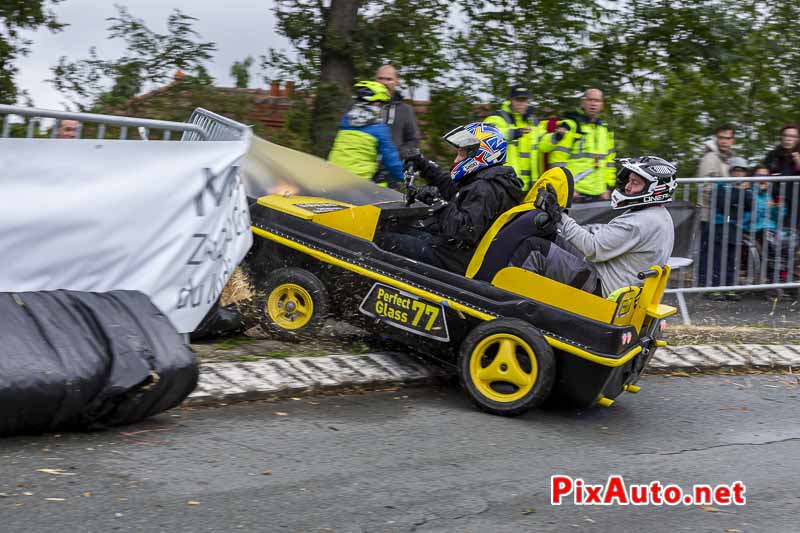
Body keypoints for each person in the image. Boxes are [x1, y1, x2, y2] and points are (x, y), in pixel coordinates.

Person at [510, 156, 677, 297]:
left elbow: (592, 248)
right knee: (553, 238)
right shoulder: (660, 216)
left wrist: (559, 216)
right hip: (615, 282)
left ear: (655, 189)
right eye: (629, 180)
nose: (627, 186)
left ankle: (513, 301)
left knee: (534, 248)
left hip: (601, 287)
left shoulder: (639, 222)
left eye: (635, 183)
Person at [382, 122, 524, 274]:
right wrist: (425, 165)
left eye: (462, 154)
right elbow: (455, 192)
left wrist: (437, 202)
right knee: (402, 228)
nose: (456, 159)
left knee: (385, 240)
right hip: (452, 250)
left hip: (453, 259)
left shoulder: (486, 188)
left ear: (482, 154)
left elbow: (464, 231)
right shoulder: (488, 180)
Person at [537, 88, 616, 203]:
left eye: (597, 101)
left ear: (602, 105)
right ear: (583, 103)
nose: (593, 104)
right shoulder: (571, 126)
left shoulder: (605, 130)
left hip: (600, 194)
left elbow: (609, 162)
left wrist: (608, 187)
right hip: (574, 194)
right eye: (590, 100)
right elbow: (558, 161)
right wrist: (566, 187)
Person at [328, 81, 405, 187]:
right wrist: (403, 176)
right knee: (385, 183)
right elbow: (391, 159)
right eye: (382, 104)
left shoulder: (346, 120)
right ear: (376, 103)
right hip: (358, 183)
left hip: (331, 176)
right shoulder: (379, 129)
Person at [695, 124, 736, 289]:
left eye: (728, 138)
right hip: (708, 212)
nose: (724, 141)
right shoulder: (711, 157)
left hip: (720, 213)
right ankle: (705, 283)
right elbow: (705, 185)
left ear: (733, 140)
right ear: (716, 138)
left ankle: (710, 283)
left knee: (716, 248)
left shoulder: (727, 158)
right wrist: (724, 195)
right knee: (708, 248)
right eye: (721, 138)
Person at [483, 84, 539, 191]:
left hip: (529, 186)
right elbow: (486, 134)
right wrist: (512, 133)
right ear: (511, 100)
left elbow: (542, 144)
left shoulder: (532, 121)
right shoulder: (498, 118)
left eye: (524, 100)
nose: (521, 103)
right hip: (507, 184)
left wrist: (555, 138)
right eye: (518, 99)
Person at [375, 64, 420, 159]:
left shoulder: (406, 110)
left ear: (397, 81)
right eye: (381, 78)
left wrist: (397, 154)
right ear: (375, 80)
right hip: (361, 165)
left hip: (391, 168)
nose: (384, 83)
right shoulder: (361, 106)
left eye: (389, 79)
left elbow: (413, 140)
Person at [763, 123, 800, 227]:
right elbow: (762, 172)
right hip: (775, 201)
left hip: (796, 202)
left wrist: (798, 161)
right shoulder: (773, 155)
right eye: (785, 135)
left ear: (798, 139)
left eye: (792, 136)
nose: (788, 139)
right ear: (781, 137)